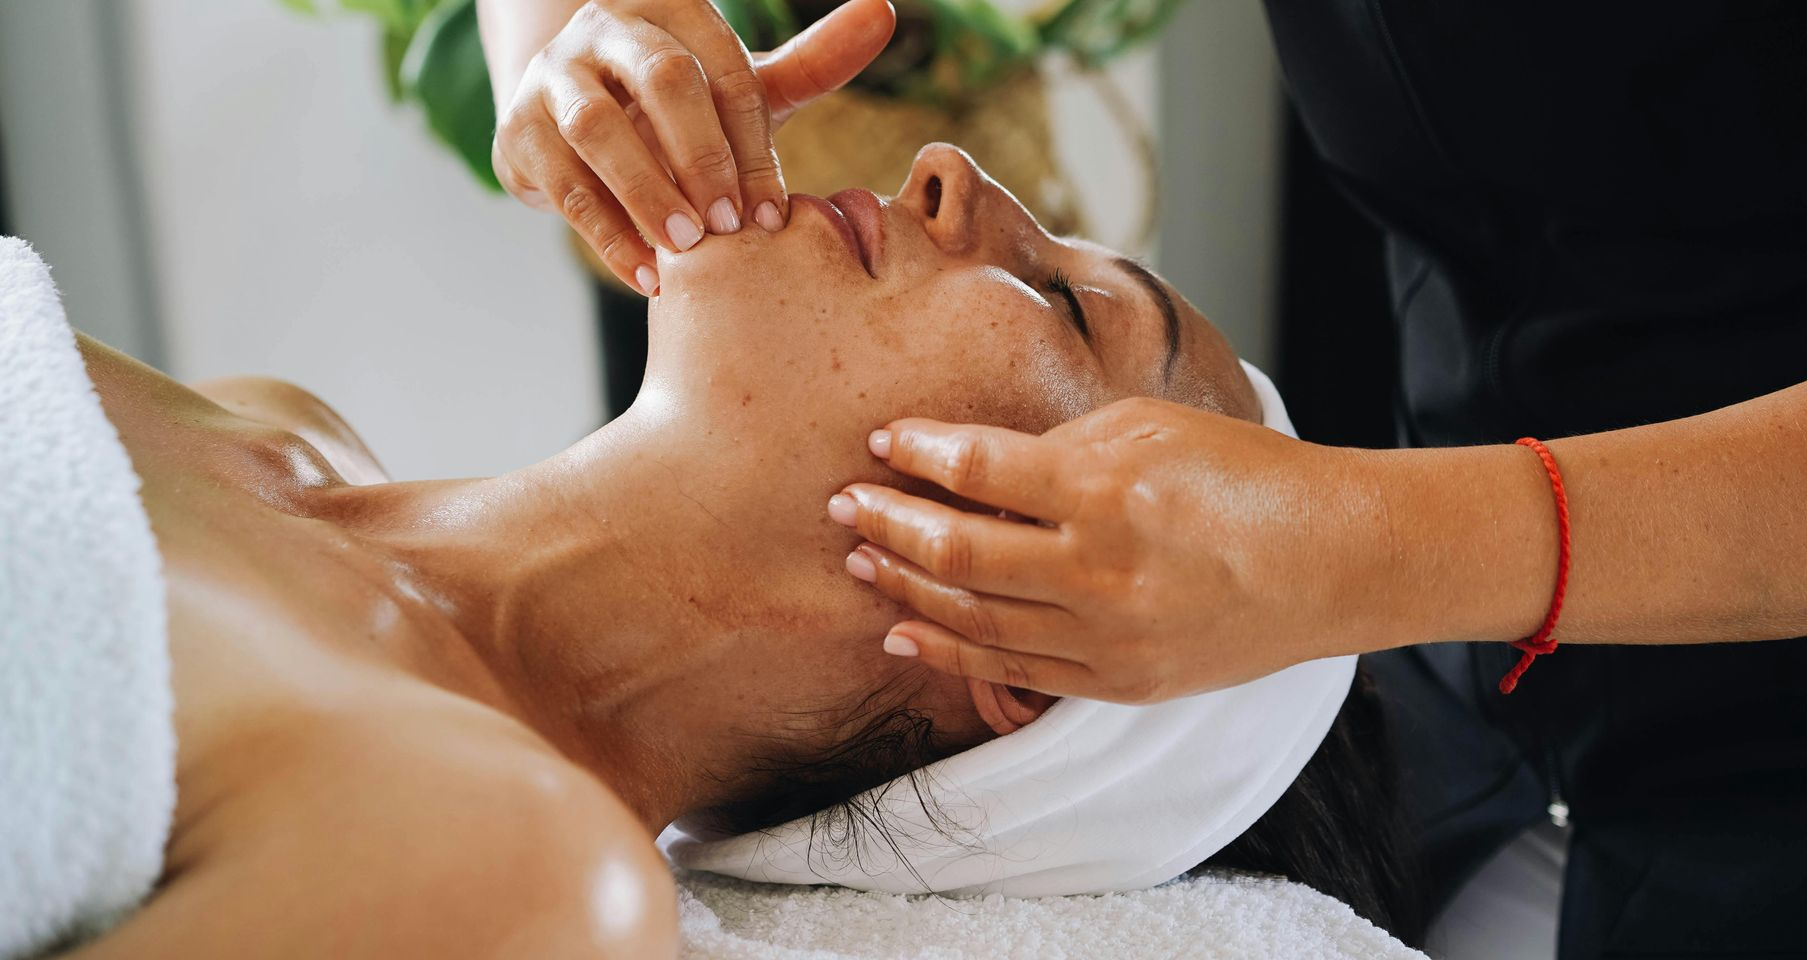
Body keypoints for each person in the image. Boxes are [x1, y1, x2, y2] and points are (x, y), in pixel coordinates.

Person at [476, 0, 1807, 955]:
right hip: (1484, 686)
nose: (941, 171)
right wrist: (576, 60)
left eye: (1069, 308)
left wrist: (1356, 547)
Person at [49, 147, 1420, 956]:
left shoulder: (510, 868)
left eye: (1068, 303)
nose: (955, 172)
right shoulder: (272, 425)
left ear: (1027, 631)